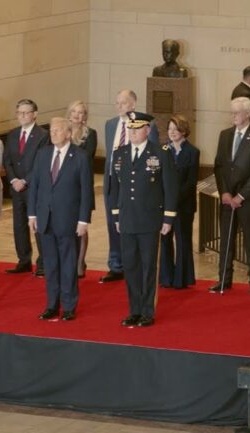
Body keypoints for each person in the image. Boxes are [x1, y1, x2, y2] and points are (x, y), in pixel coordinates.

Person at [110, 112, 177, 327]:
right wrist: (116, 214)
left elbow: (169, 187)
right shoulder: (120, 154)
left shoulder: (160, 152)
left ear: (147, 130)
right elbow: (116, 188)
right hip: (127, 218)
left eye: (137, 129)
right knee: (130, 266)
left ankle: (148, 310)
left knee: (149, 266)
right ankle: (134, 309)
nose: (132, 133)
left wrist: (168, 218)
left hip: (150, 219)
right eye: (130, 129)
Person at [28, 117, 93, 321]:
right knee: (50, 264)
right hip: (45, 219)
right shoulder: (43, 154)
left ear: (68, 133)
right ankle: (51, 305)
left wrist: (84, 220)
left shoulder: (80, 157)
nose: (53, 133)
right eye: (52, 130)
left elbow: (86, 191)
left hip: (69, 220)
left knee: (68, 263)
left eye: (58, 130)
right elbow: (35, 186)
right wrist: (32, 214)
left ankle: (69, 305)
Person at [211, 97, 250, 295]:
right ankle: (224, 280)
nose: (232, 116)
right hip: (228, 198)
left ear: (248, 114)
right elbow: (219, 166)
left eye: (236, 112)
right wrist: (225, 192)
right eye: (232, 112)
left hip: (249, 200)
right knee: (226, 240)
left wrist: (241, 196)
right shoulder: (224, 135)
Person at [101, 90, 159, 284]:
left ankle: (134, 265)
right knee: (113, 222)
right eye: (117, 103)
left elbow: (153, 156)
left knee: (132, 223)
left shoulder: (146, 126)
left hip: (136, 183)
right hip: (112, 181)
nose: (119, 107)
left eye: (123, 103)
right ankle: (115, 265)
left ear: (133, 105)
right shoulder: (110, 125)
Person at [3, 99, 49, 276]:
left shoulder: (43, 135)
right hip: (16, 188)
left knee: (36, 225)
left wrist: (25, 181)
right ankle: (23, 260)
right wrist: (14, 179)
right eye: (19, 113)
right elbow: (8, 160)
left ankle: (43, 262)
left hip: (34, 187)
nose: (22, 116)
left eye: (25, 112)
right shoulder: (13, 134)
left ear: (34, 114)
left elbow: (41, 162)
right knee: (19, 225)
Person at [159, 114, 199, 289]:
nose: (172, 132)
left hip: (184, 205)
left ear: (183, 131)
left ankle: (182, 279)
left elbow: (190, 182)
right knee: (165, 240)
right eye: (170, 129)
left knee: (182, 240)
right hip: (165, 206)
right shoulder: (162, 150)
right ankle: (166, 278)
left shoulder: (193, 152)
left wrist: (174, 200)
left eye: (175, 129)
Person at [66, 100, 97, 278]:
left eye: (82, 112)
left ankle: (80, 262)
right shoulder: (64, 132)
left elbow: (87, 157)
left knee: (81, 226)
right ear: (69, 114)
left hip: (81, 186)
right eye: (75, 112)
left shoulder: (90, 134)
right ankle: (69, 260)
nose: (79, 115)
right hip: (64, 187)